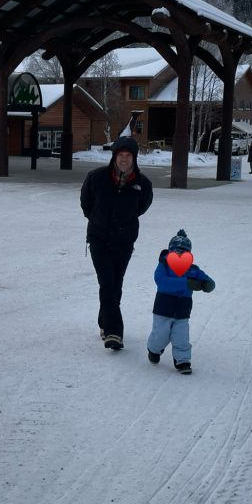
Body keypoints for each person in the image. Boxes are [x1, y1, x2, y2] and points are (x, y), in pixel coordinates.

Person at [80, 135, 153, 351]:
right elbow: (86, 204)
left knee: (115, 283)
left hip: (124, 241)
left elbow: (141, 207)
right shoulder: (96, 178)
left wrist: (123, 225)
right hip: (99, 238)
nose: (124, 159)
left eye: (128, 155)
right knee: (107, 282)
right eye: (120, 155)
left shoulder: (142, 184)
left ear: (134, 158)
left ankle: (105, 321)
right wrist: (99, 221)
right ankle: (114, 332)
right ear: (114, 156)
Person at [146, 229, 215, 375]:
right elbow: (162, 282)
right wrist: (186, 284)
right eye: (176, 252)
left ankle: (182, 361)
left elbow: (204, 278)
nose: (179, 255)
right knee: (160, 335)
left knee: (181, 337)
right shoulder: (163, 266)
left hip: (183, 309)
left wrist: (207, 283)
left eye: (183, 253)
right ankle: (154, 349)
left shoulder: (193, 269)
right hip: (163, 307)